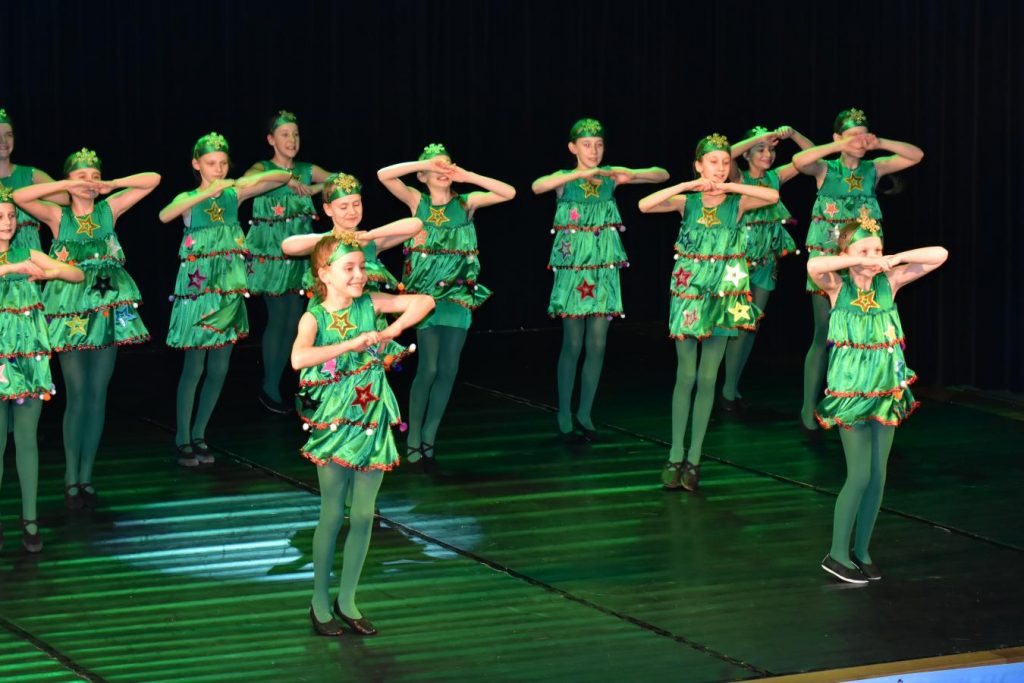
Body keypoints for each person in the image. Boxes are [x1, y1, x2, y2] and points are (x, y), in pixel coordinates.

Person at [292, 231, 433, 636]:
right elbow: (299, 358)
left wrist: (390, 332)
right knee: (332, 513)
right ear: (325, 274)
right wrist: (351, 344)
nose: (359, 275)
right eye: (349, 268)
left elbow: (424, 301)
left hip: (371, 420)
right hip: (335, 427)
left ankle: (348, 599)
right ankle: (320, 602)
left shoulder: (370, 304)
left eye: (361, 267)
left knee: (364, 515)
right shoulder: (314, 317)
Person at [13, 149, 158, 509]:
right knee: (77, 394)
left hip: (105, 311)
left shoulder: (109, 210)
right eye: (83, 176)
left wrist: (112, 183)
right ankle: (70, 475)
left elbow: (153, 179)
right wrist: (64, 185)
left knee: (97, 393)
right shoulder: (57, 215)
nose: (89, 183)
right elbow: (19, 196)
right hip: (69, 314)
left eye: (94, 176)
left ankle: (87, 475)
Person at [808, 216, 946, 583]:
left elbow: (940, 254)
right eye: (864, 250)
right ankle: (837, 554)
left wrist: (895, 258)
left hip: (886, 391)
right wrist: (854, 261)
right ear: (847, 254)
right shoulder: (837, 287)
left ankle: (863, 550)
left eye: (877, 249)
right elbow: (814, 266)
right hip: (851, 395)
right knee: (859, 474)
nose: (873, 256)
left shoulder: (891, 283)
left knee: (878, 476)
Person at [638, 134, 777, 491]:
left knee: (708, 378)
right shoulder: (687, 202)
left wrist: (730, 186)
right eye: (713, 162)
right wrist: (685, 185)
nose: (719, 168)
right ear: (699, 165)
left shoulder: (737, 202)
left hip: (724, 297)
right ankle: (675, 452)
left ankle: (695, 457)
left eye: (725, 162)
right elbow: (644, 205)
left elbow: (773, 197)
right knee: (686, 375)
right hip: (689, 295)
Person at [378, 144, 515, 466]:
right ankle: (413, 435)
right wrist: (424, 163)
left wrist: (467, 176)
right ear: (422, 175)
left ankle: (430, 434)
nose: (442, 170)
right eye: (434, 167)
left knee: (449, 369)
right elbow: (384, 175)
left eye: (447, 165)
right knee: (429, 367)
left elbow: (508, 192)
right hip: (425, 298)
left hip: (458, 296)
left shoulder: (466, 203)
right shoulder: (418, 201)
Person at [532, 118, 668, 441]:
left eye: (599, 145)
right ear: (573, 148)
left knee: (597, 344)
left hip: (604, 272)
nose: (593, 151)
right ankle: (564, 412)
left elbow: (662, 174)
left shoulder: (610, 179)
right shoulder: (565, 181)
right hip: (573, 274)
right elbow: (537, 186)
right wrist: (577, 174)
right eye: (586, 145)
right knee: (573, 343)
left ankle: (585, 412)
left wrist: (623, 172)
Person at [159, 132, 289, 466]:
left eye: (222, 163)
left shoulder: (234, 194)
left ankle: (200, 434)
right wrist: (208, 191)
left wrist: (240, 182)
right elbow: (165, 215)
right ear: (196, 165)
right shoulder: (189, 198)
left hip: (227, 293)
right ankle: (182, 437)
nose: (217, 169)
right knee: (195, 366)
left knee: (219, 367)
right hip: (198, 295)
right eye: (210, 163)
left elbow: (283, 176)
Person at [793, 109, 923, 437]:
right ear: (837, 138)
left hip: (866, 265)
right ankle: (809, 407)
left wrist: (879, 142)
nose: (859, 141)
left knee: (865, 334)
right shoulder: (826, 168)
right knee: (825, 332)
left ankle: (861, 402)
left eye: (864, 134)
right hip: (830, 266)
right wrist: (838, 146)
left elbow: (916, 155)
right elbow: (799, 161)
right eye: (852, 135)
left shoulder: (873, 168)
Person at [0, 186, 83, 551]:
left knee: (26, 439)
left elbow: (77, 275)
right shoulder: (17, 261)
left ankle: (30, 519)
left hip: (28, 360)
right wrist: (11, 269)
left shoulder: (28, 254)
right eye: (0, 217)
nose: (7, 222)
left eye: (11, 216)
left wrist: (51, 271)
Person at [243, 111, 333, 413]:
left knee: (295, 319)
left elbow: (345, 180)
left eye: (295, 134)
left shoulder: (306, 170)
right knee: (278, 316)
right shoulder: (264, 167)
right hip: (271, 256)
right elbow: (244, 183)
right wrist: (283, 178)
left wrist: (317, 188)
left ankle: (282, 382)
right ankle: (269, 386)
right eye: (284, 135)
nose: (291, 140)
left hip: (297, 256)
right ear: (271, 140)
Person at [720, 125, 813, 410]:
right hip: (738, 262)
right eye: (760, 150)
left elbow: (812, 157)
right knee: (738, 324)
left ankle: (733, 385)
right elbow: (724, 155)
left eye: (771, 149)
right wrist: (757, 138)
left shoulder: (775, 177)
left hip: (766, 260)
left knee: (753, 325)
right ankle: (726, 390)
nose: (768, 154)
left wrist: (794, 135)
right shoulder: (738, 177)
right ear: (747, 155)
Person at [0, 107, 67, 252]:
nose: (3, 141)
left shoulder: (30, 174)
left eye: (8, 135)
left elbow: (66, 198)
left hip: (30, 255)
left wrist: (29, 197)